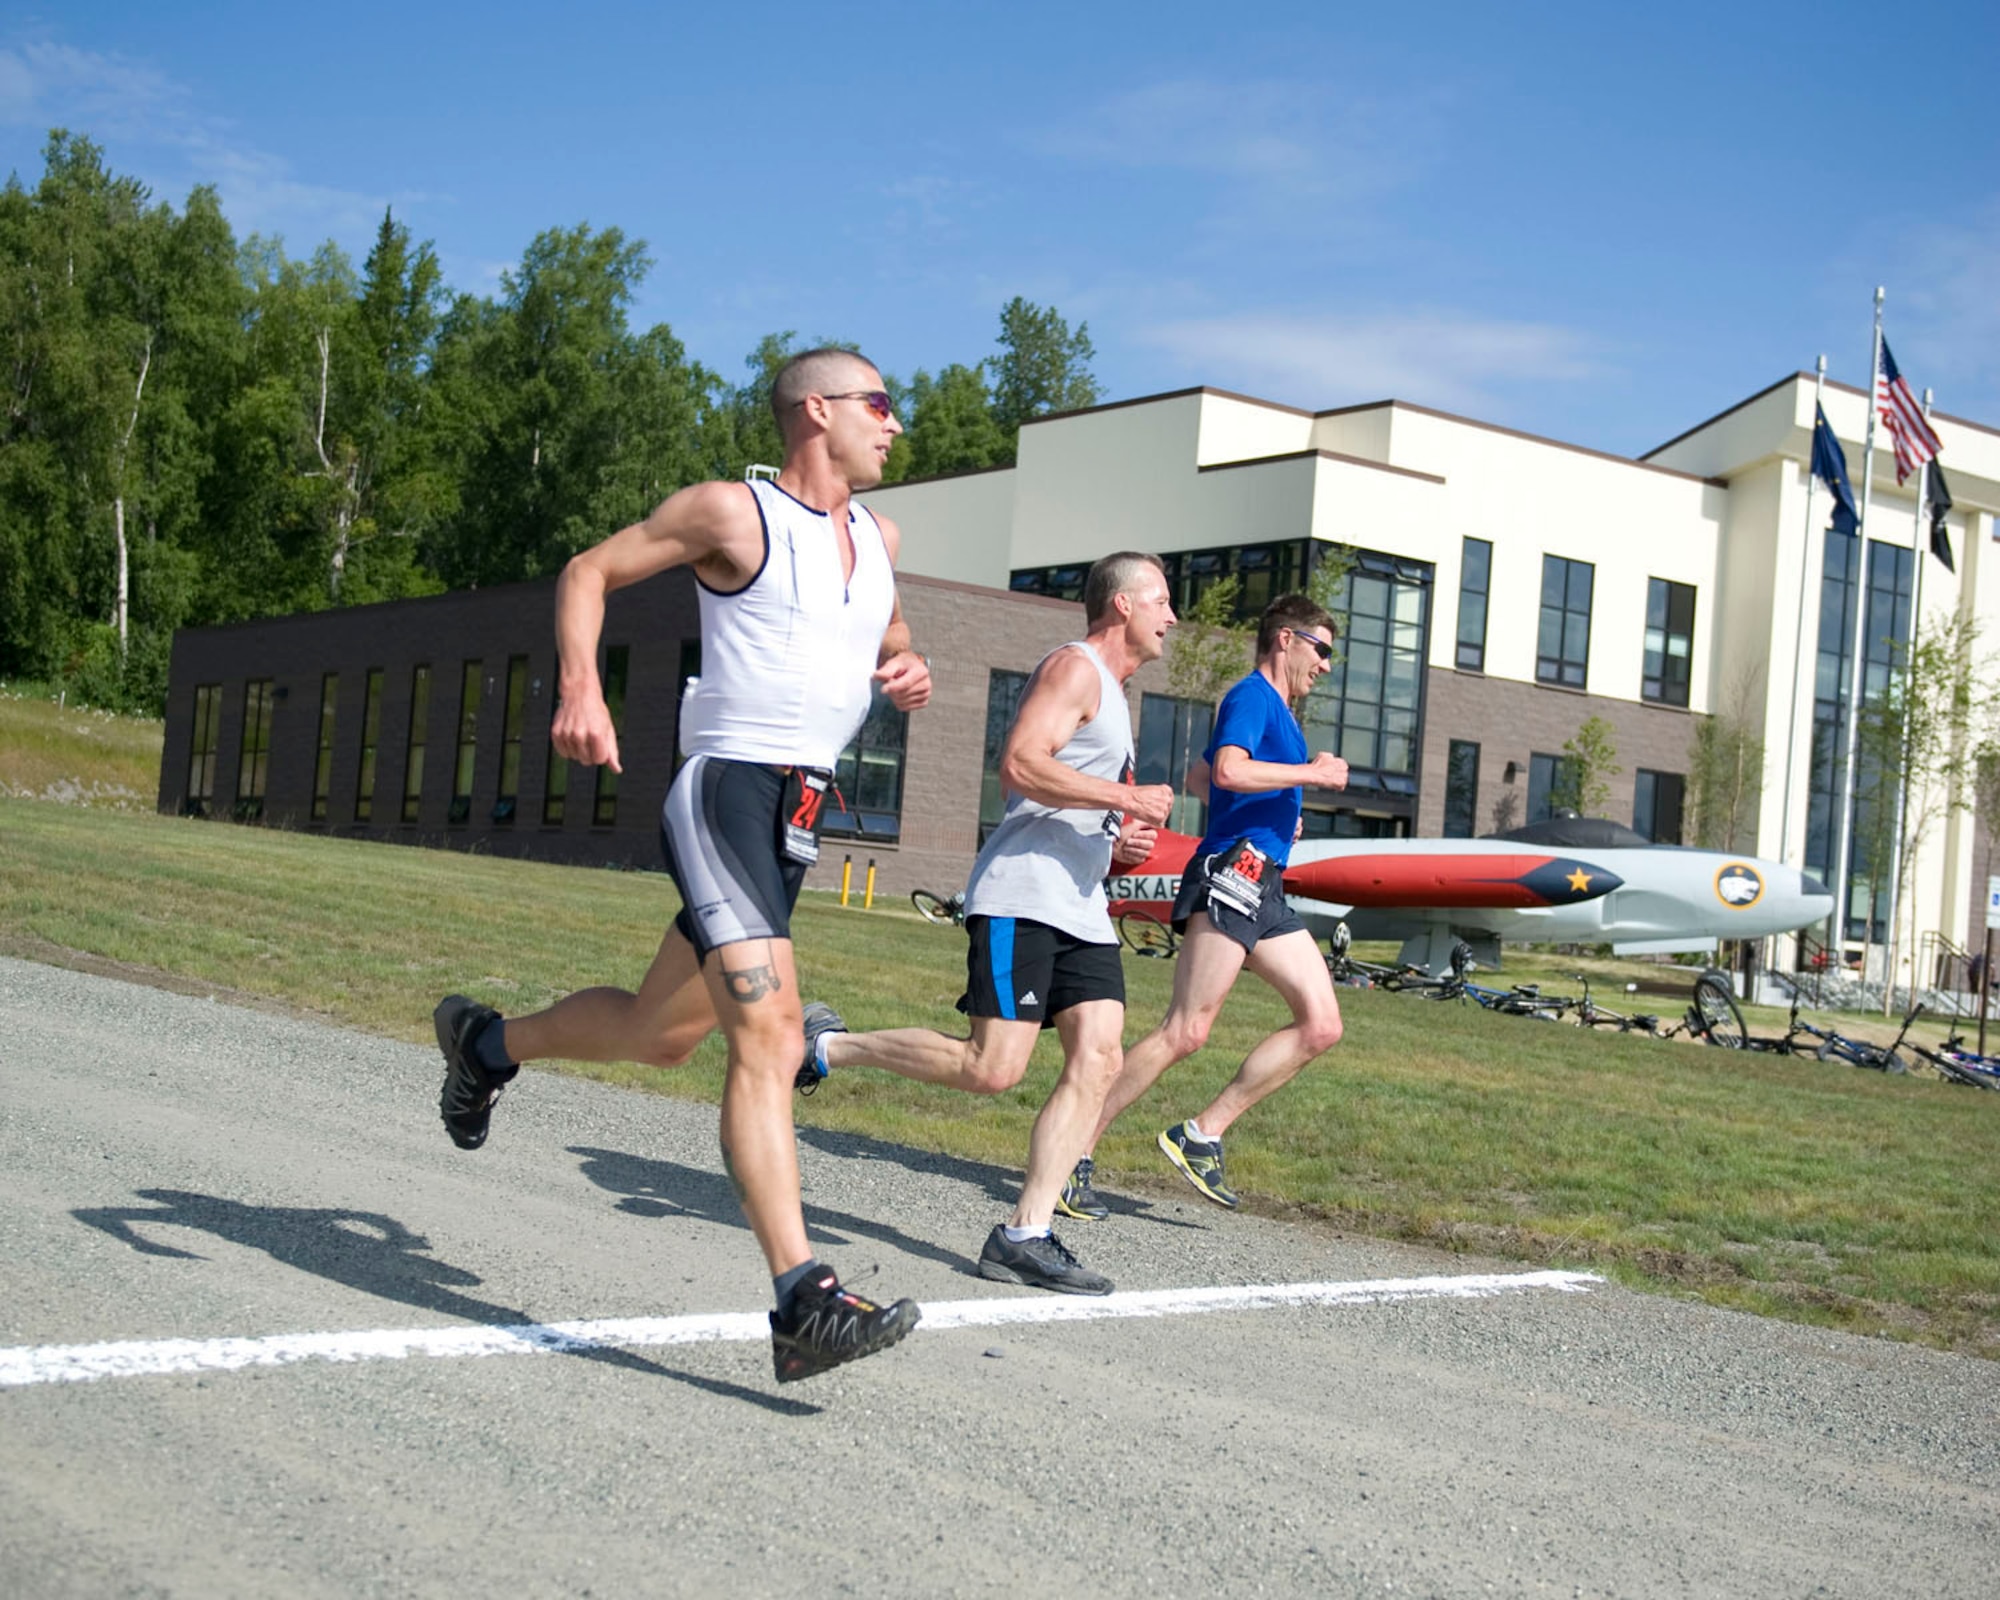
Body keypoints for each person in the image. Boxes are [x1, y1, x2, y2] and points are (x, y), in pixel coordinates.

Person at [430, 348, 934, 1385]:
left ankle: (485, 1044)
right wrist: (582, 687)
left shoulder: (878, 538)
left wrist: (906, 662)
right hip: (724, 791)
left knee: (656, 1035)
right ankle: (803, 1298)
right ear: (814, 409)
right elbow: (588, 571)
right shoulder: (731, 514)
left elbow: (887, 626)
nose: (894, 425)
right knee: (772, 1031)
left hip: (797, 812)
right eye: (878, 404)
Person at [796, 552, 1177, 1293]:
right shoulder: (1074, 669)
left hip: (1081, 907)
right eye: (1161, 600)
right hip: (1024, 896)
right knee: (992, 1067)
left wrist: (1115, 838)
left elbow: (1067, 797)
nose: (1173, 616)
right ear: (1122, 605)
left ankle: (1025, 1233)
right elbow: (1020, 765)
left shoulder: (1117, 696)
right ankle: (827, 1046)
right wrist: (1125, 800)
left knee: (1098, 1060)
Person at [1062, 593, 1348, 1217]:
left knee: (1322, 1023)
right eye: (1321, 650)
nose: (1326, 665)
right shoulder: (1252, 696)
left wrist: (1277, 815)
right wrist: (1310, 778)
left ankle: (1202, 1134)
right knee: (1185, 1030)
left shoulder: (1281, 714)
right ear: (1286, 640)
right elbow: (1226, 770)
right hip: (1233, 876)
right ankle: (1071, 1151)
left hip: (1262, 877)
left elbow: (1200, 780)